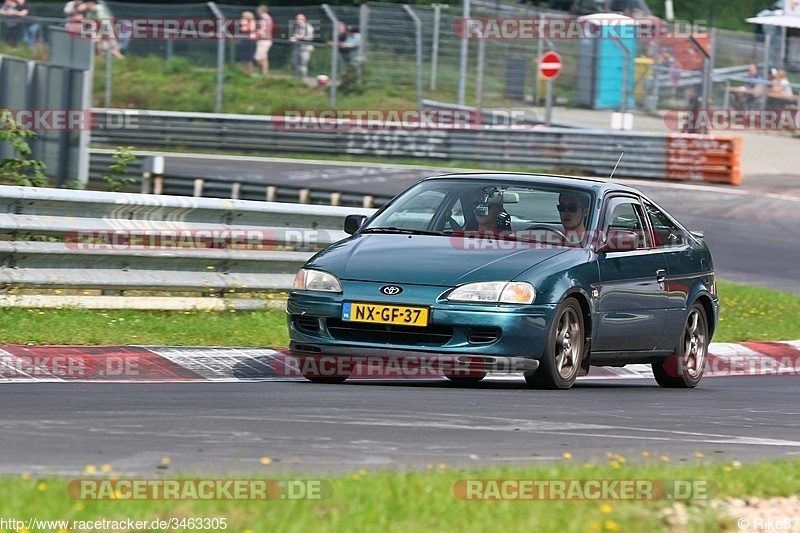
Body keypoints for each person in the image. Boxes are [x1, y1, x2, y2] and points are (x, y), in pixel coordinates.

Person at [290, 13, 314, 79]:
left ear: (304, 19)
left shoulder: (308, 27)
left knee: (303, 64)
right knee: (294, 63)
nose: (298, 20)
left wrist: (296, 37)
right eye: (297, 19)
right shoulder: (298, 27)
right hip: (297, 48)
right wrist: (294, 37)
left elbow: (306, 37)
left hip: (305, 49)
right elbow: (295, 36)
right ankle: (295, 78)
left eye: (300, 19)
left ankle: (303, 78)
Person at [253, 5, 273, 77]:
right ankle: (264, 73)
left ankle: (262, 72)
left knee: (258, 58)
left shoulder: (266, 19)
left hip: (264, 41)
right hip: (264, 40)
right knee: (264, 58)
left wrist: (256, 35)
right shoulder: (264, 19)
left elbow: (264, 30)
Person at [236, 11, 257, 76]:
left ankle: (250, 72)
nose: (242, 18)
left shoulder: (251, 22)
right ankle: (244, 72)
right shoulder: (243, 22)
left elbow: (248, 30)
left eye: (243, 16)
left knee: (249, 58)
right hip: (244, 41)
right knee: (244, 58)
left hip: (249, 41)